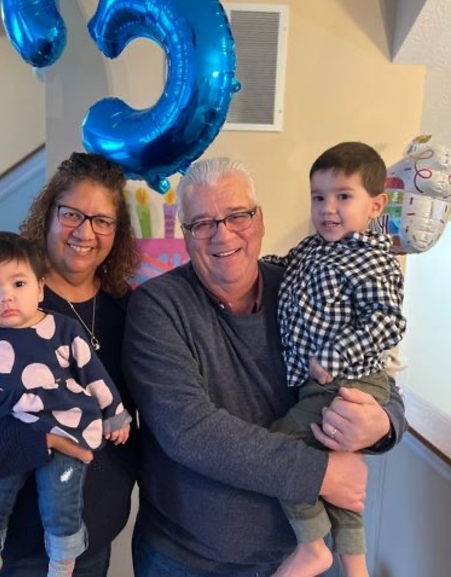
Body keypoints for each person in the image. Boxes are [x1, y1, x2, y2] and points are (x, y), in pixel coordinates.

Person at [122, 156, 407, 576]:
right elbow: (189, 431)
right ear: (185, 234)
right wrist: (321, 474)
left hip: (303, 556)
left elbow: (375, 369)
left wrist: (383, 424)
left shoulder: (302, 284)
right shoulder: (157, 306)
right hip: (189, 561)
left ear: (259, 220)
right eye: (202, 223)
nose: (223, 235)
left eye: (237, 215)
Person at [0, 152, 141, 577]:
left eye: (102, 220)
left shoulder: (126, 308)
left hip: (87, 549)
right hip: (1, 554)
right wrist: (42, 441)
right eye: (71, 214)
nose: (85, 232)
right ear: (48, 215)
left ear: (117, 230)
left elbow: (133, 412)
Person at [264, 142, 406, 577]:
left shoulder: (372, 258)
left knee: (282, 445)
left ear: (375, 205)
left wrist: (334, 353)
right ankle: (355, 565)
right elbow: (280, 268)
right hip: (319, 385)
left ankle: (312, 546)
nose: (328, 208)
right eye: (318, 197)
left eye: (343, 196)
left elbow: (388, 321)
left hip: (350, 381)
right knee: (338, 474)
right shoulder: (311, 249)